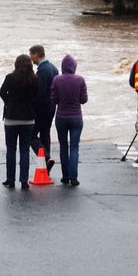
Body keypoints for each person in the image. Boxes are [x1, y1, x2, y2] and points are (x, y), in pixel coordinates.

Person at [0, 54, 39, 189]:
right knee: (24, 150)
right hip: (28, 118)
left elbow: (2, 92)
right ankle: (24, 180)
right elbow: (36, 95)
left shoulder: (10, 78)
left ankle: (10, 180)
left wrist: (9, 102)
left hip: (11, 118)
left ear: (16, 65)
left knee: (10, 149)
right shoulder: (34, 79)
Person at [51, 54, 88, 186]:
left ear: (62, 67)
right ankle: (74, 177)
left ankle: (65, 176)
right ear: (74, 67)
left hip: (61, 117)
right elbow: (84, 100)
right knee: (74, 147)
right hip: (76, 117)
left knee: (63, 146)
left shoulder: (56, 80)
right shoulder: (80, 80)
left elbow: (54, 99)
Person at [29, 44, 58, 173]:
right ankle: (47, 163)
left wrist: (33, 107)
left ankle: (46, 158)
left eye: (31, 54)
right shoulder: (53, 68)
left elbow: (40, 92)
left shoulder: (42, 70)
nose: (30, 58)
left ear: (37, 54)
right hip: (52, 106)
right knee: (45, 133)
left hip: (42, 108)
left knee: (32, 135)